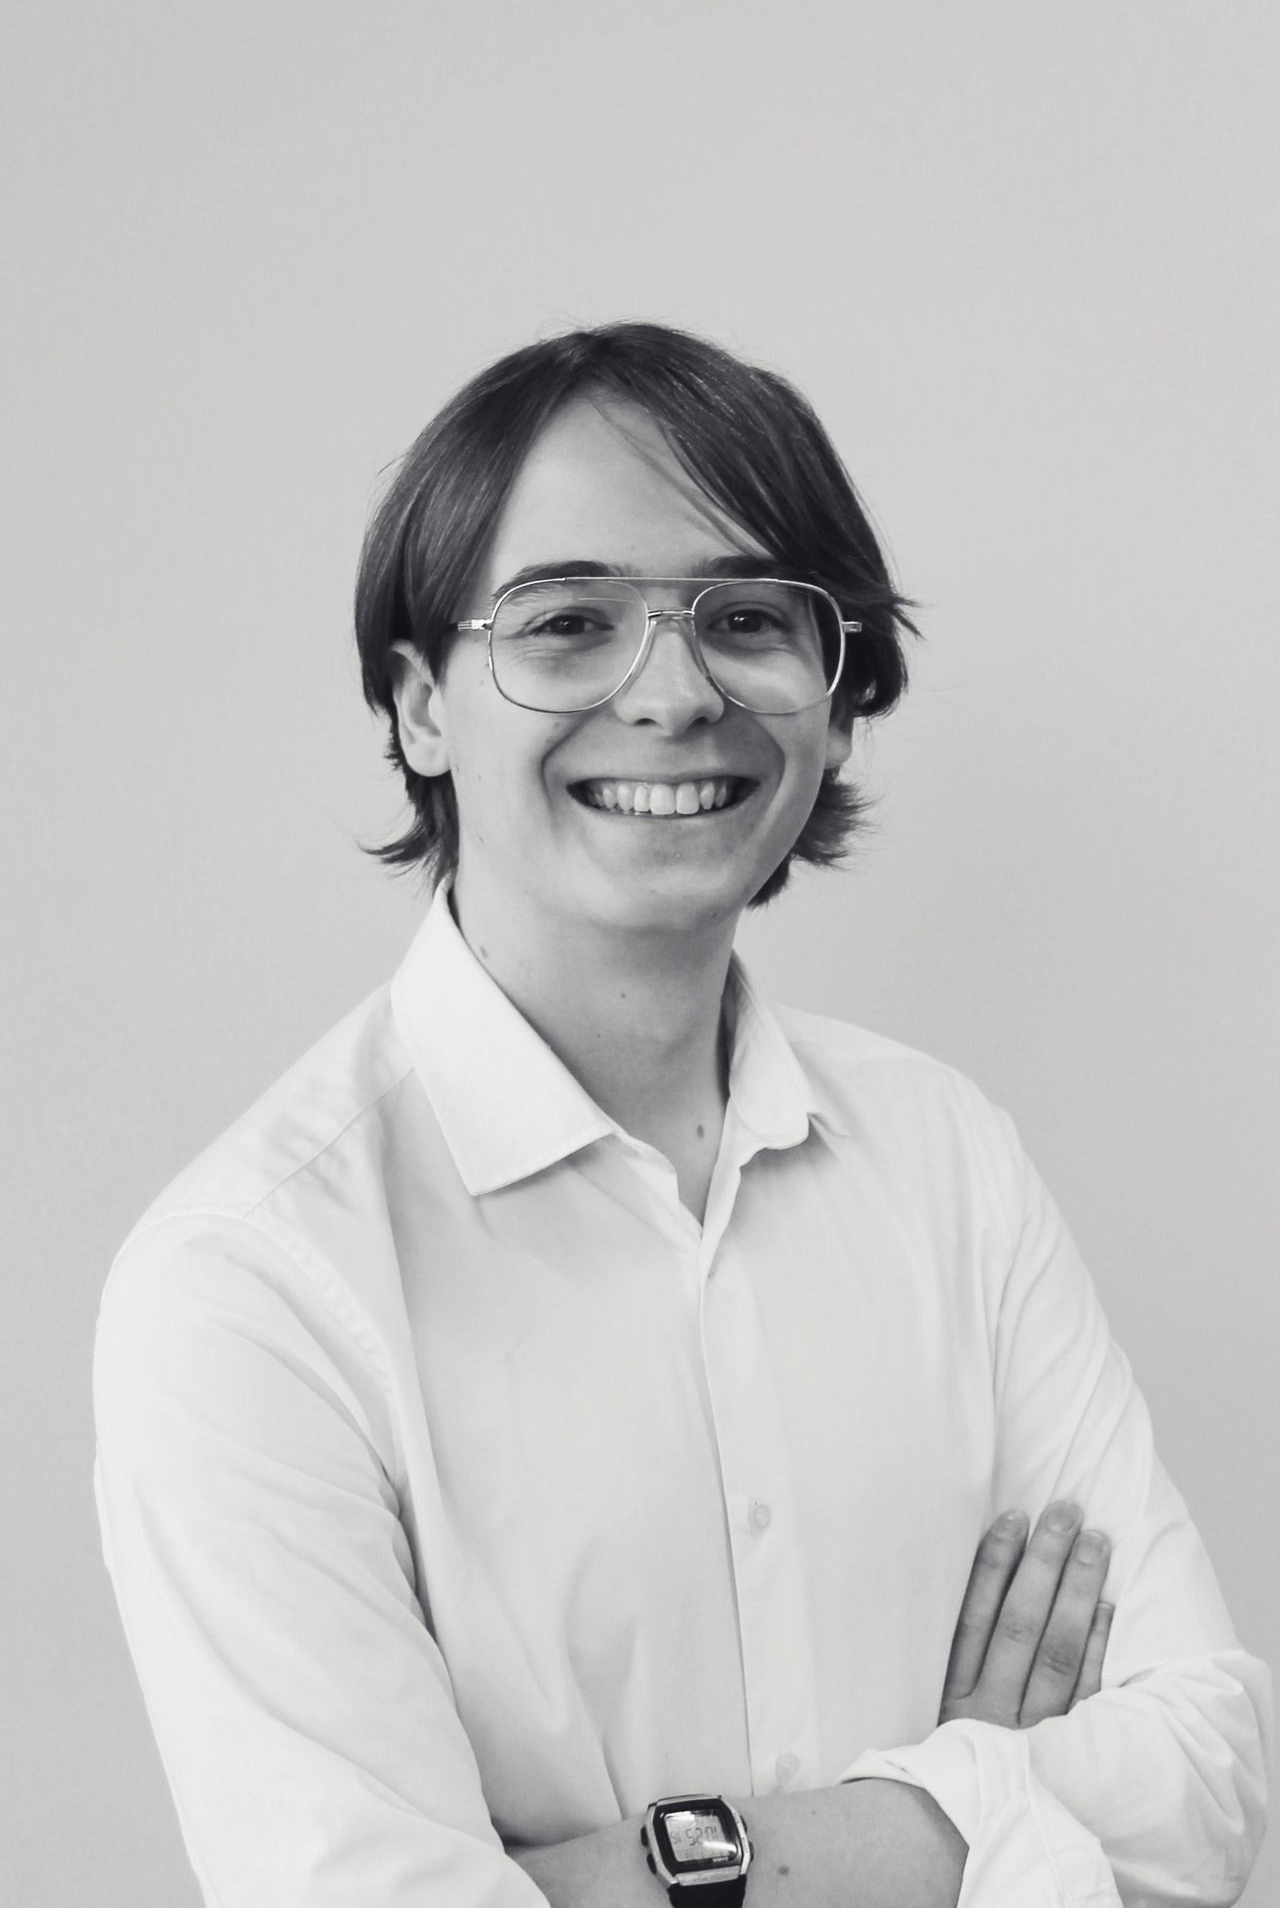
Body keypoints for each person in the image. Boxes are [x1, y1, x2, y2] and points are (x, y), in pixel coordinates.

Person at [94, 323, 1270, 1908]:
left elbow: (1210, 1776)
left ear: (836, 702)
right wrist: (984, 1814)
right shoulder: (250, 1286)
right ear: (423, 706)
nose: (672, 693)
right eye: (568, 624)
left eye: (748, 619)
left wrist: (658, 1871)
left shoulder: (946, 1159)